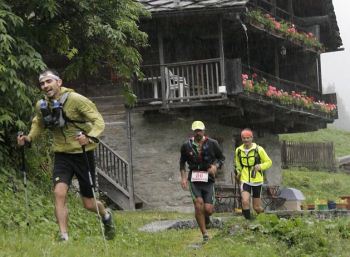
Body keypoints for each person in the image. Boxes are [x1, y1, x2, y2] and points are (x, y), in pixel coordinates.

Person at [17, 69, 115, 241]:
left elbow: (98, 120)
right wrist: (28, 138)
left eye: (49, 81)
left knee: (89, 203)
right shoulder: (42, 105)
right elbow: (38, 123)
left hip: (82, 153)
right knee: (59, 193)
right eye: (42, 83)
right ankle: (64, 236)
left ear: (59, 82)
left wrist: (89, 137)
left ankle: (106, 215)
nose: (45, 86)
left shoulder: (76, 100)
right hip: (62, 154)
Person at [180, 121, 225, 242]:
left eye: (200, 130)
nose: (198, 133)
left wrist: (215, 166)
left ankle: (207, 218)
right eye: (195, 131)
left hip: (208, 179)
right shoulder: (186, 145)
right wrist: (183, 178)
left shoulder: (212, 143)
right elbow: (182, 163)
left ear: (204, 131)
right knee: (198, 204)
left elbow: (221, 158)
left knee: (208, 210)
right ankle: (205, 234)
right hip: (194, 179)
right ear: (193, 131)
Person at [235, 128, 272, 220]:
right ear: (241, 139)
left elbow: (269, 162)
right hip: (245, 179)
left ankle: (265, 218)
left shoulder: (259, 149)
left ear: (252, 138)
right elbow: (238, 164)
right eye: (244, 138)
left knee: (256, 207)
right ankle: (248, 222)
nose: (246, 140)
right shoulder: (238, 150)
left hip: (257, 180)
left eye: (248, 138)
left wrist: (260, 166)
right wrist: (238, 172)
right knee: (245, 201)